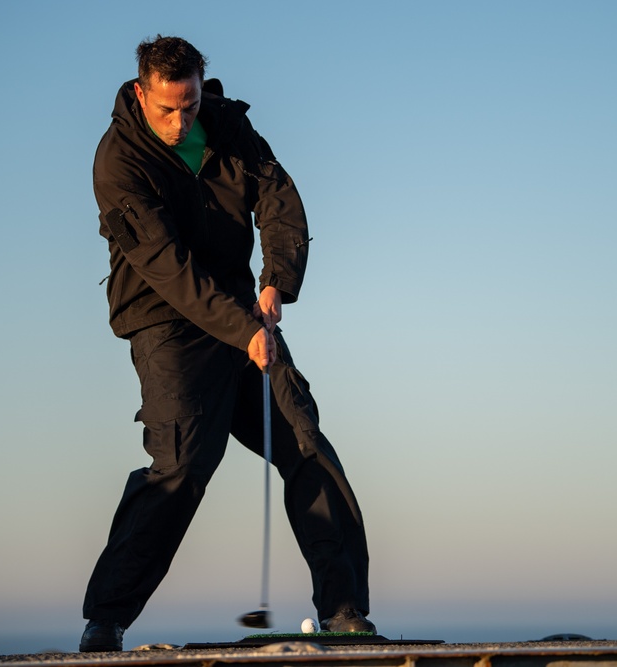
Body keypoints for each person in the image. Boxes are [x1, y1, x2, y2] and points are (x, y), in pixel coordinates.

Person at [79, 35, 374, 652]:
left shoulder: (228, 127)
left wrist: (274, 284)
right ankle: (105, 620)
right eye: (167, 108)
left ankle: (345, 611)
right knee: (182, 466)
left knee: (304, 442)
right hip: (168, 322)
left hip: (245, 314)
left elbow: (280, 201)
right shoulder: (118, 161)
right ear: (141, 92)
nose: (181, 119)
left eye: (188, 105)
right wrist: (245, 330)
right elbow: (168, 267)